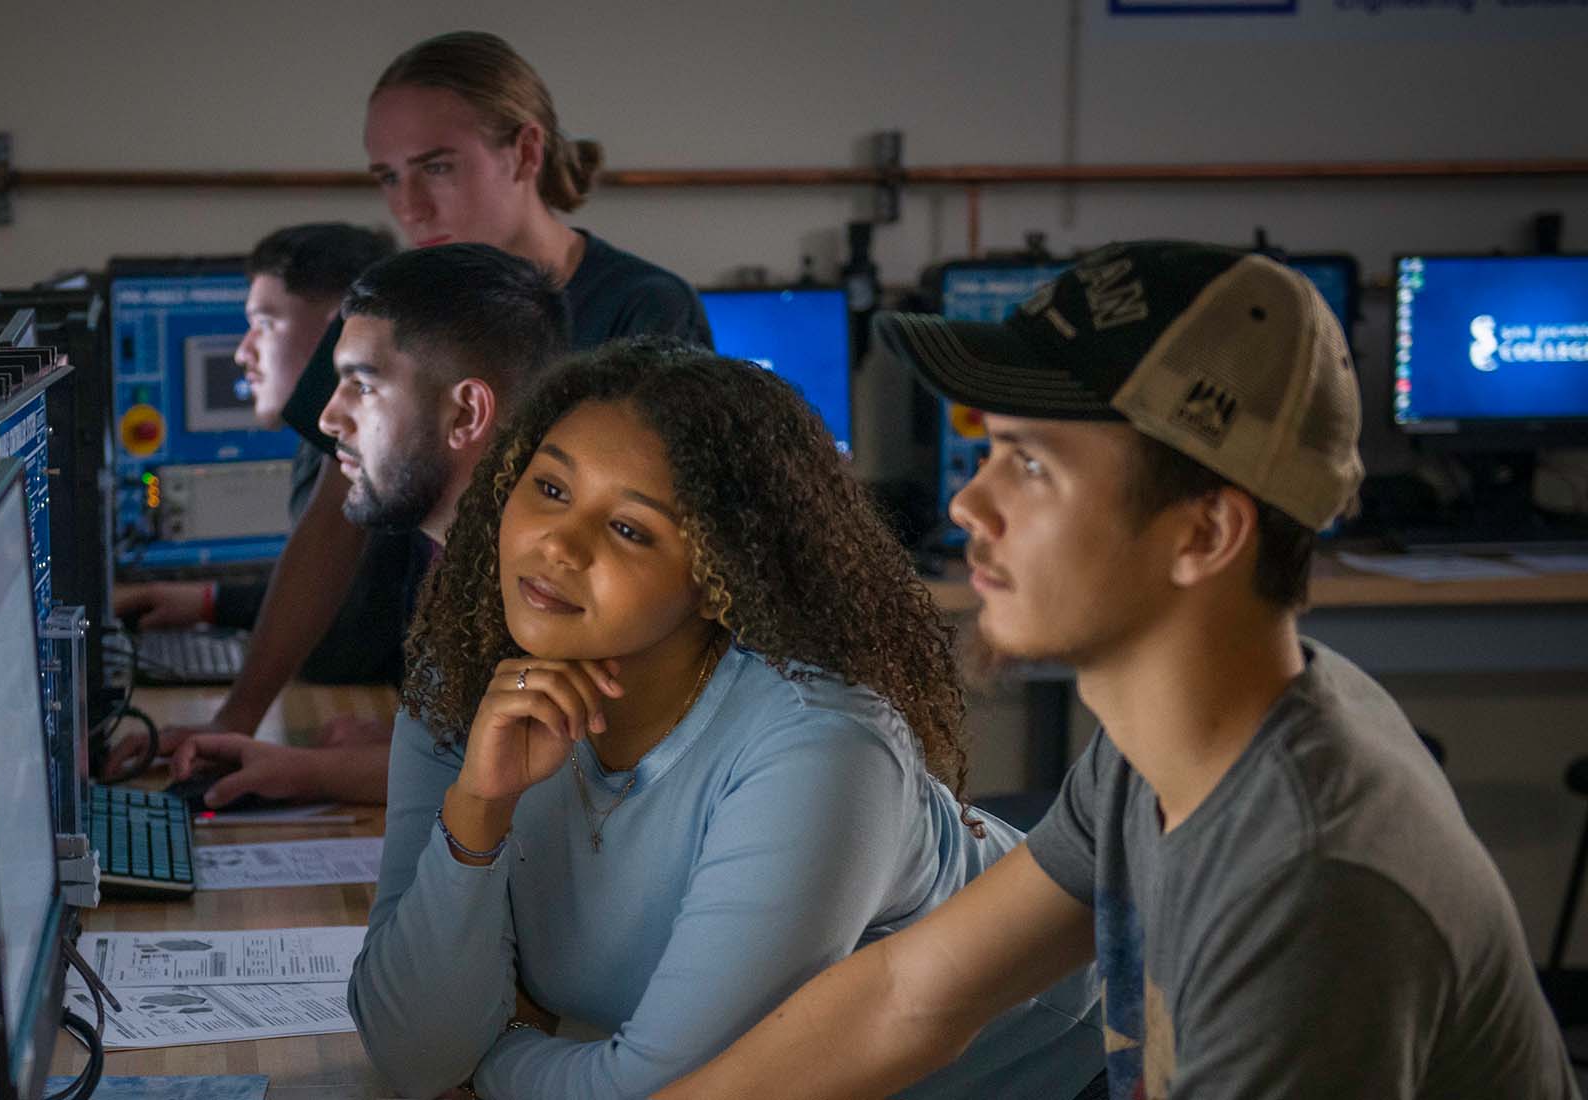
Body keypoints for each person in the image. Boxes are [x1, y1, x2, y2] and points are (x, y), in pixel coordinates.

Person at [661, 242, 1580, 1100]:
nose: (967, 501)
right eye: (989, 450)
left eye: (1029, 464)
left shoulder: (1310, 888)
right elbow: (914, 994)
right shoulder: (1162, 750)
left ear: (1206, 533)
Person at [348, 340, 1104, 1100]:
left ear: (720, 578)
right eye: (549, 488)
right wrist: (478, 810)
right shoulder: (469, 679)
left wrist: (492, 1061)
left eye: (631, 530)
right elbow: (410, 1054)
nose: (558, 544)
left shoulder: (819, 745)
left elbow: (675, 1091)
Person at [159, 30, 711, 762]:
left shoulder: (644, 310)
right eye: (387, 176)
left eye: (438, 167)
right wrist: (238, 715)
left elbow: (646, 574)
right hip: (446, 707)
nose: (409, 207)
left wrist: (439, 740)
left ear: (525, 152)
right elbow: (329, 529)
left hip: (581, 732)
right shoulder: (391, 301)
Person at [164, 243, 571, 809]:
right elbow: (462, 760)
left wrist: (305, 769)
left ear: (466, 414)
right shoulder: (462, 571)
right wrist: (297, 768)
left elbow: (533, 784)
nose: (329, 417)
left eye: (363, 385)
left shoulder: (559, 597)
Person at [111, 223, 410, 686]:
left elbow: (330, 647)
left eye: (266, 324)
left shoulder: (381, 457)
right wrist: (213, 601)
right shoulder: (324, 450)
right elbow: (328, 596)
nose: (243, 352)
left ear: (342, 330)